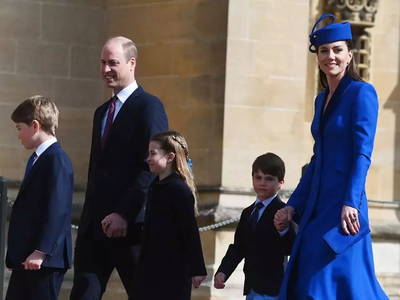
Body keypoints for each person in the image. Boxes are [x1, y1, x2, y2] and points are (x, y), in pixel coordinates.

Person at [274, 14, 389, 300]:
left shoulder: (362, 93)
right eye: (324, 50)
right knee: (307, 281)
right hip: (317, 204)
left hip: (344, 207)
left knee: (334, 284)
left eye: (337, 50)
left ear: (350, 54)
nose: (330, 56)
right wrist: (293, 206)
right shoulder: (319, 99)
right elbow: (317, 159)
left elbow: (363, 153)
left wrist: (351, 200)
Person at [70, 36, 169, 299]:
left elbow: (151, 167)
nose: (105, 70)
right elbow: (96, 172)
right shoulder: (101, 112)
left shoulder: (149, 106)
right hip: (95, 230)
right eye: (102, 63)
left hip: (132, 229)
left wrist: (124, 214)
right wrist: (85, 224)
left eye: (113, 63)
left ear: (132, 63)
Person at [6, 95, 74, 300]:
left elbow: (58, 209)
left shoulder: (57, 160)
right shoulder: (38, 159)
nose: (18, 135)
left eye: (19, 128)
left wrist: (41, 251)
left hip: (43, 261)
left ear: (35, 125)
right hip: (27, 258)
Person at [129, 130, 207, 300]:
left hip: (171, 269)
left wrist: (197, 269)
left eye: (153, 153)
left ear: (170, 157)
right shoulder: (155, 186)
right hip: (150, 266)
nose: (148, 158)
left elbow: (190, 231)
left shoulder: (178, 189)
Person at [214, 153, 296, 300]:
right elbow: (238, 247)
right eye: (258, 178)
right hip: (251, 286)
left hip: (272, 288)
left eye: (269, 179)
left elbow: (290, 247)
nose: (262, 183)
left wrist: (283, 229)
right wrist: (223, 271)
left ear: (280, 183)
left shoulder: (283, 211)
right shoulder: (247, 213)